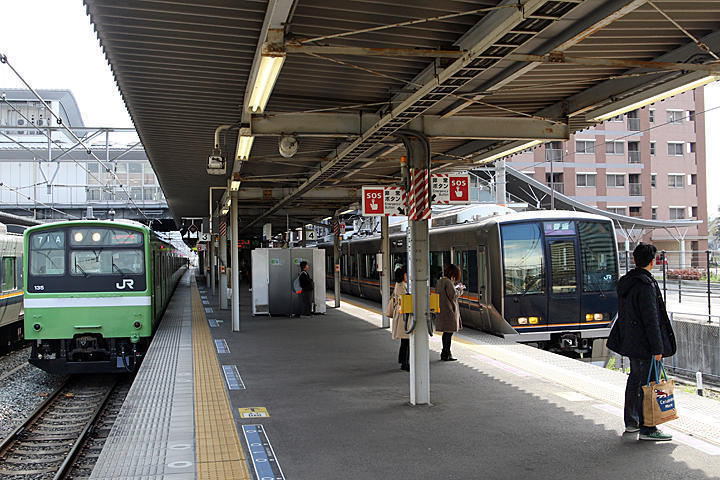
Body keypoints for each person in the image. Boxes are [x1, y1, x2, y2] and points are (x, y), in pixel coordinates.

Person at [607, 243, 677, 442]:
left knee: (635, 380)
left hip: (630, 342)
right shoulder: (645, 284)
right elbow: (651, 319)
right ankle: (648, 427)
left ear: (635, 260)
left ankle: (632, 422)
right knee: (648, 384)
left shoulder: (627, 282)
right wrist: (657, 348)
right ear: (652, 261)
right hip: (645, 344)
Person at [435, 264, 463, 361]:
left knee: (446, 333)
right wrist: (460, 290)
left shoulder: (440, 281)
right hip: (449, 311)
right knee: (449, 333)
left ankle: (446, 353)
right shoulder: (448, 282)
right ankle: (446, 353)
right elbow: (453, 296)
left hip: (442, 310)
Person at [391, 268, 410, 371]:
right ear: (403, 276)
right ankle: (405, 363)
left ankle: (403, 361)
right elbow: (406, 300)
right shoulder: (401, 286)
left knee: (405, 341)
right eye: (406, 275)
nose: (408, 277)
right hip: (403, 317)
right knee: (406, 341)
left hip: (402, 317)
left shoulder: (399, 285)